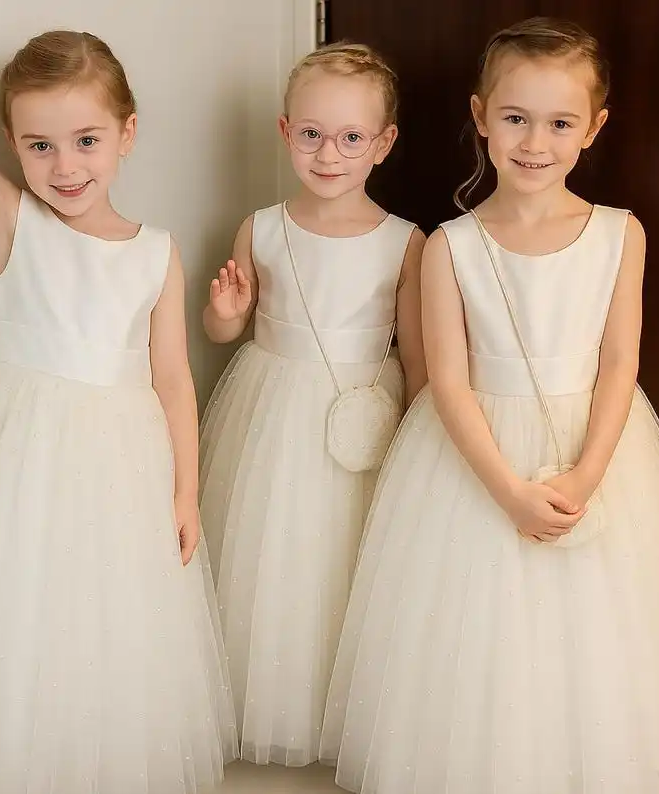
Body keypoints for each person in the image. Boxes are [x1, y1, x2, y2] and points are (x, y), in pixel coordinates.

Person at [320, 17, 659, 793]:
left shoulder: (622, 234)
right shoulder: (451, 244)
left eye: (560, 123)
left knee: (593, 622)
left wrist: (585, 476)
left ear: (595, 128)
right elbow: (447, 381)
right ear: (482, 117)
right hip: (476, 459)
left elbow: (621, 362)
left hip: (594, 446)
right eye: (515, 118)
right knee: (479, 626)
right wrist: (507, 490)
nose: (535, 142)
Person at [0, 29, 237, 793]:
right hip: (14, 445)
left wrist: (184, 492)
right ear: (12, 144)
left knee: (101, 612)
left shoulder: (156, 251)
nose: (65, 165)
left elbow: (173, 378)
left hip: (119, 457)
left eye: (86, 140)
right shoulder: (12, 219)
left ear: (127, 134)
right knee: (9, 598)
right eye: (39, 145)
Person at [199, 42, 426, 767]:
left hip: (363, 409)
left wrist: (417, 448)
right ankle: (271, 702)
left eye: (351, 137)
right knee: (272, 555)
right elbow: (224, 330)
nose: (330, 154)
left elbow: (417, 359)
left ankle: (346, 712)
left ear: (383, 143)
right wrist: (228, 312)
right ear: (285, 130)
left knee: (347, 558)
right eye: (312, 134)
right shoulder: (262, 227)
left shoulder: (405, 242)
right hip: (270, 409)